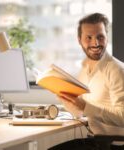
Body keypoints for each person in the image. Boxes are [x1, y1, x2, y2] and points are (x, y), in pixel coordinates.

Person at [48, 13, 124, 150]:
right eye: (89, 37)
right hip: (95, 140)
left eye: (100, 37)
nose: (95, 43)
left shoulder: (116, 70)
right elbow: (81, 113)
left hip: (113, 144)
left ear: (106, 37)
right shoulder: (84, 70)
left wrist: (85, 107)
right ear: (79, 40)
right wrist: (67, 100)